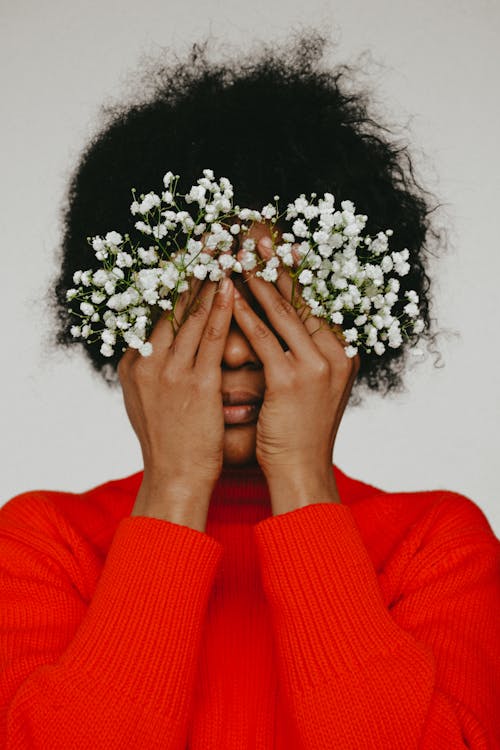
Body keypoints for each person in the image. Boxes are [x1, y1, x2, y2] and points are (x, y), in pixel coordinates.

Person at [1, 32, 499, 749]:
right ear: (124, 316)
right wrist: (174, 488)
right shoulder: (42, 546)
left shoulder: (438, 549)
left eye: (271, 304)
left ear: (350, 316)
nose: (235, 346)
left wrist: (300, 478)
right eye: (195, 302)